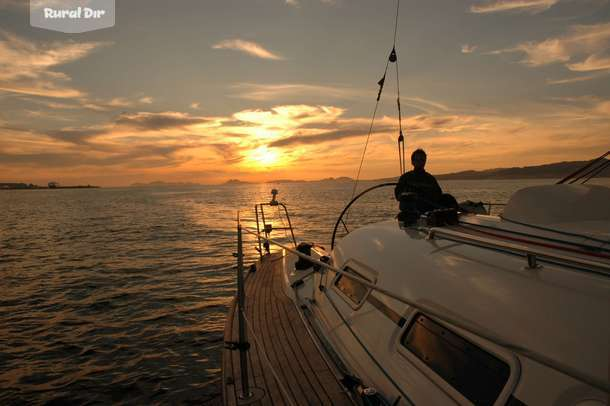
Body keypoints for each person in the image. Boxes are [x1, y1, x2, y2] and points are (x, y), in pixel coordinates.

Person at [395, 149, 443, 213]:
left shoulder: (430, 179)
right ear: (412, 162)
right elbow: (398, 195)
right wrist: (405, 195)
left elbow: (438, 195)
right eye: (417, 160)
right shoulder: (405, 177)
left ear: (425, 161)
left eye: (422, 160)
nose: (420, 162)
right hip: (408, 214)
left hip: (426, 213)